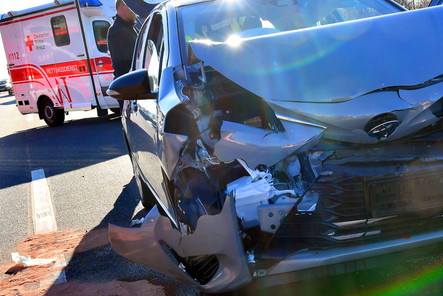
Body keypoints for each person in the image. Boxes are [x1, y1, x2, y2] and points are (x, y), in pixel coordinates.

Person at [107, 0, 138, 110]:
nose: (135, 11)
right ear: (122, 7)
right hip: (129, 90)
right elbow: (123, 66)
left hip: (133, 88)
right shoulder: (117, 31)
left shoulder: (129, 28)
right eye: (131, 7)